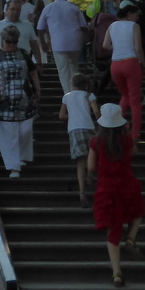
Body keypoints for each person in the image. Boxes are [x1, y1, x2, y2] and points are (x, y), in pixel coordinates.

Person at [88, 103, 145, 288]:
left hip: (106, 188)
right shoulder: (126, 139)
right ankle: (131, 237)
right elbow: (134, 152)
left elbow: (90, 167)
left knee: (113, 230)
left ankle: (116, 272)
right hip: (126, 182)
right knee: (139, 211)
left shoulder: (96, 142)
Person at [0, 25, 41, 178]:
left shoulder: (22, 53)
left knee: (25, 130)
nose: (12, 45)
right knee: (9, 135)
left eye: (15, 41)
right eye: (9, 42)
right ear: (3, 41)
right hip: (3, 100)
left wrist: (38, 89)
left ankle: (21, 156)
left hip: (24, 98)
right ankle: (13, 167)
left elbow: (33, 71)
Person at [102, 4, 145, 141]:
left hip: (115, 64)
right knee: (135, 100)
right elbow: (138, 49)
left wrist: (117, 46)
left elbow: (105, 45)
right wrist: (144, 64)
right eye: (136, 15)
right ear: (130, 14)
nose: (137, 18)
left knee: (125, 95)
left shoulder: (112, 25)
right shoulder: (134, 26)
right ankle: (134, 133)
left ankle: (115, 126)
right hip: (130, 62)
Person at [36, 0, 88, 94]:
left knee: (63, 70)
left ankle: (68, 93)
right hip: (75, 41)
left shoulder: (49, 8)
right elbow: (84, 26)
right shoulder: (73, 7)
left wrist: (43, 43)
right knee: (73, 65)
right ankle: (77, 90)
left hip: (58, 42)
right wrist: (85, 40)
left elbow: (40, 28)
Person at [60, 72, 100, 207]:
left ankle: (82, 193)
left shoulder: (67, 97)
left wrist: (71, 116)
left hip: (74, 128)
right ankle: (90, 176)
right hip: (88, 126)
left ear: (72, 84)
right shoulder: (89, 95)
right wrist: (100, 123)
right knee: (92, 155)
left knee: (80, 160)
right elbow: (96, 111)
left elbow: (61, 116)